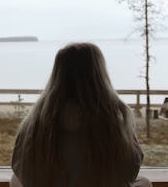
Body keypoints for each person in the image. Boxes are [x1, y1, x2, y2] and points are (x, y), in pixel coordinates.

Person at [10, 43, 151, 187]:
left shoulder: (36, 124)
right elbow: (131, 169)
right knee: (145, 183)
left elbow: (19, 167)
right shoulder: (115, 122)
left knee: (14, 181)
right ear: (100, 76)